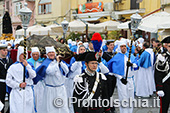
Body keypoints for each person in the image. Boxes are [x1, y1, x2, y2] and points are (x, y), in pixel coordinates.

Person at [34, 46, 69, 113]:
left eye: (52, 52)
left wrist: (60, 62)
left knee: (62, 108)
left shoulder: (59, 62)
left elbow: (66, 70)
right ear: (47, 54)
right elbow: (50, 72)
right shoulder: (46, 63)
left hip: (61, 89)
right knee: (51, 108)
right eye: (49, 53)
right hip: (50, 90)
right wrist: (57, 63)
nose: (51, 54)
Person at [108, 41, 138, 113]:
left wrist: (131, 64)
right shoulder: (116, 57)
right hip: (121, 80)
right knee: (123, 97)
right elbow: (113, 70)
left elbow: (136, 65)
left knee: (130, 97)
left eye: (124, 46)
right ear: (119, 48)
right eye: (122, 46)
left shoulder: (130, 56)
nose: (123, 48)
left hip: (130, 79)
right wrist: (121, 78)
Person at [6, 46, 36, 113]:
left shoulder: (30, 65)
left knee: (28, 109)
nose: (24, 56)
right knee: (18, 109)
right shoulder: (13, 67)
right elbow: (8, 81)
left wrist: (27, 66)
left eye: (25, 54)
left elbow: (33, 75)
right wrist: (18, 85)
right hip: (17, 92)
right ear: (19, 55)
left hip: (28, 91)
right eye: (22, 54)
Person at [155, 36, 170, 113]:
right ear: (166, 46)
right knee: (164, 108)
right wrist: (159, 88)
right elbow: (158, 74)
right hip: (166, 86)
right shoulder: (162, 57)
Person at [27, 47, 44, 113]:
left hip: (40, 83)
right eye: (33, 54)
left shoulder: (42, 61)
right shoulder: (28, 62)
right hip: (32, 84)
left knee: (40, 100)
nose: (35, 56)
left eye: (36, 54)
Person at [0, 44, 13, 113]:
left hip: (9, 83)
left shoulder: (10, 60)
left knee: (11, 99)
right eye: (4, 50)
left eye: (6, 50)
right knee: (1, 100)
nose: (5, 52)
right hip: (1, 83)